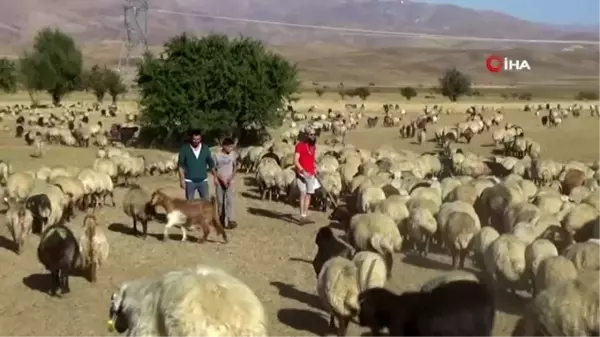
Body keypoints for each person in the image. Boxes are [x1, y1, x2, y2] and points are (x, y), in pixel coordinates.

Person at [177, 129, 217, 200]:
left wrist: (215, 177)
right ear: (191, 138)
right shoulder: (184, 149)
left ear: (200, 138)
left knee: (205, 203)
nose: (196, 141)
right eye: (194, 139)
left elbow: (211, 163)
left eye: (198, 139)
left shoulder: (205, 148)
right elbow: (181, 166)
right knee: (189, 204)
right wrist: (182, 180)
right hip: (190, 181)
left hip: (203, 181)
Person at [212, 138, 238, 229]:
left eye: (232, 147)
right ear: (224, 146)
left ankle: (231, 220)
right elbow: (213, 168)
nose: (231, 149)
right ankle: (221, 220)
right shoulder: (216, 156)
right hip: (220, 181)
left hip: (230, 181)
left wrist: (231, 178)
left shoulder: (233, 154)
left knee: (230, 201)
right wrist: (216, 178)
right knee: (220, 201)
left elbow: (235, 167)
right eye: (230, 147)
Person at [294, 126, 318, 224]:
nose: (313, 136)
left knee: (309, 195)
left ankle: (305, 215)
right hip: (302, 174)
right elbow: (295, 160)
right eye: (311, 134)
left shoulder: (313, 147)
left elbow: (312, 159)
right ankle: (301, 216)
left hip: (311, 173)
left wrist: (315, 168)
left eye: (314, 134)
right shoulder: (299, 145)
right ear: (306, 135)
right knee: (303, 193)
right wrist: (302, 170)